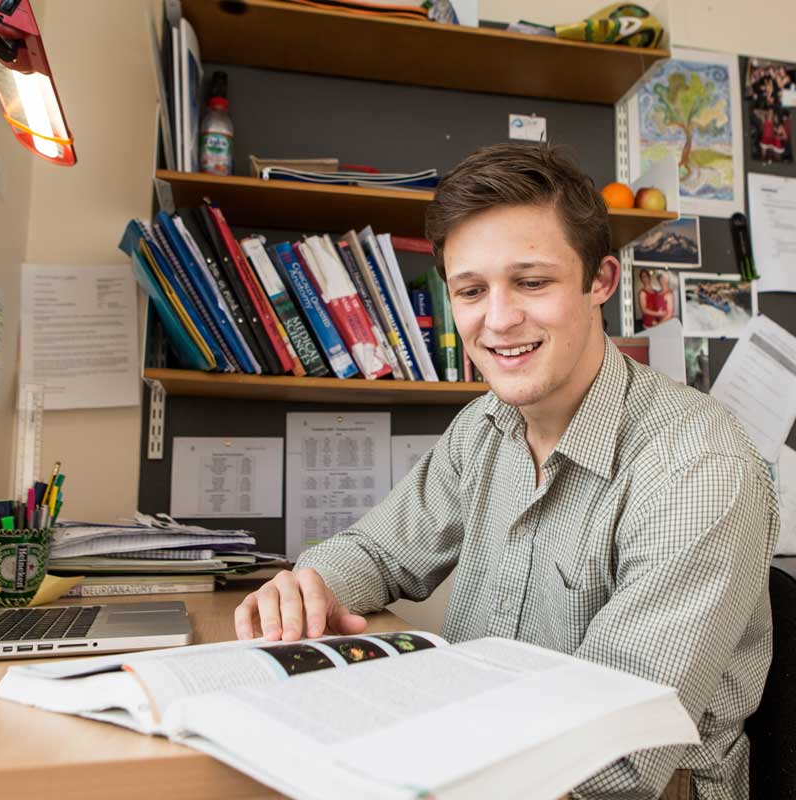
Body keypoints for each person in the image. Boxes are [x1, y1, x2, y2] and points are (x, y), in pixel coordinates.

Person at [235, 143, 777, 800]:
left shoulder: (697, 467)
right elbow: (378, 551)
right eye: (471, 290)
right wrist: (309, 587)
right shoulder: (484, 425)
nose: (498, 320)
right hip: (482, 754)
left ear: (600, 280)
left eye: (532, 282)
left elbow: (614, 757)